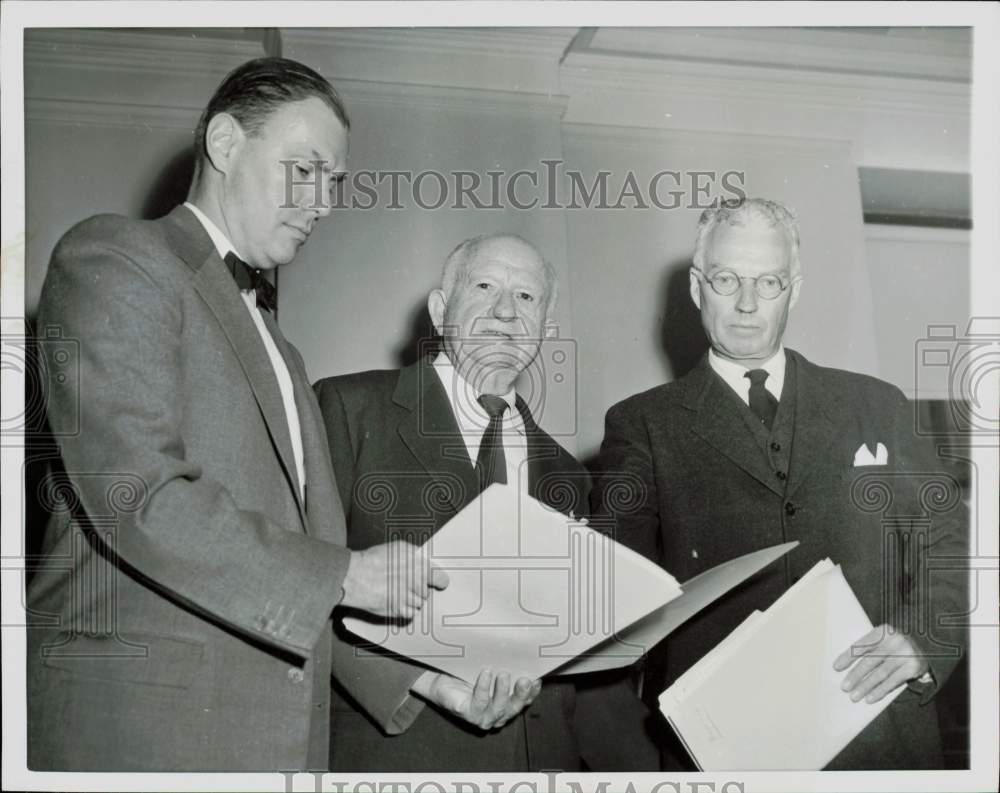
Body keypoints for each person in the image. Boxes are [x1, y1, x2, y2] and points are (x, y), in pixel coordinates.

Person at [27, 57, 447, 772]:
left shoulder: (283, 349)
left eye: (335, 182)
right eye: (305, 168)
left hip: (269, 744)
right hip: (139, 732)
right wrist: (348, 575)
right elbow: (141, 495)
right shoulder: (117, 257)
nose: (324, 202)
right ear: (225, 144)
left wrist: (427, 683)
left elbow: (297, 565)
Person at [590, 198, 967, 770]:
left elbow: (956, 547)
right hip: (726, 751)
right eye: (726, 280)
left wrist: (922, 640)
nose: (746, 303)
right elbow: (614, 597)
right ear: (697, 288)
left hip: (883, 739)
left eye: (768, 282)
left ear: (795, 288)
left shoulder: (877, 404)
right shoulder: (640, 423)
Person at [314, 233, 659, 772]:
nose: (504, 311)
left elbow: (584, 667)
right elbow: (301, 578)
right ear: (439, 309)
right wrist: (424, 683)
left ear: (546, 327)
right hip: (397, 758)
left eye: (526, 297)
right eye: (484, 286)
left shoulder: (570, 473)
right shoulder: (349, 409)